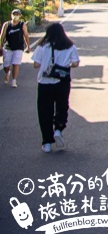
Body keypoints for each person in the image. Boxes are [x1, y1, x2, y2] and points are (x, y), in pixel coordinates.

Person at [32, 22, 79, 153]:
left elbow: (36, 64)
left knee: (44, 111)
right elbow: (75, 63)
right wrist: (64, 64)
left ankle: (46, 143)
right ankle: (58, 129)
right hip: (62, 82)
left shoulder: (42, 46)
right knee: (62, 107)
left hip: (44, 83)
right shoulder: (69, 46)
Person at [2, 8, 31, 88]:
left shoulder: (22, 24)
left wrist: (28, 46)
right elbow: (2, 36)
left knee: (16, 63)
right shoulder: (7, 24)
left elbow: (25, 35)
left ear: (20, 16)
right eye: (14, 14)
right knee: (6, 64)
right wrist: (0, 45)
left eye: (17, 14)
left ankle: (14, 80)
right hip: (8, 47)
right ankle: (8, 72)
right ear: (11, 15)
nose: (15, 16)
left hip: (18, 47)